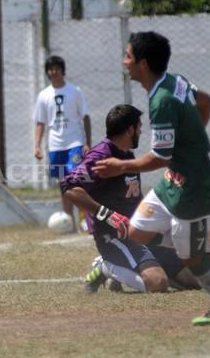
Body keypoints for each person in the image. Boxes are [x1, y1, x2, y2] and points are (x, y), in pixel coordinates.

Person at [94, 31, 210, 326]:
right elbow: (207, 102)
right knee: (135, 232)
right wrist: (192, 137)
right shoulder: (176, 81)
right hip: (174, 180)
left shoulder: (161, 100)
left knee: (192, 260)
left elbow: (159, 157)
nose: (124, 62)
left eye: (128, 56)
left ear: (143, 64)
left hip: (195, 187)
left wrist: (119, 167)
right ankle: (203, 243)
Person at [60, 104, 170, 294]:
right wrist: (107, 214)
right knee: (158, 283)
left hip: (137, 231)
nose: (141, 131)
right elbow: (69, 188)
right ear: (130, 130)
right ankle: (105, 267)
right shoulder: (101, 156)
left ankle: (123, 269)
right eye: (139, 127)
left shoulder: (127, 153)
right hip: (113, 236)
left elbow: (132, 195)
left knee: (190, 278)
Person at [34, 55, 91, 233]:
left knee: (77, 181)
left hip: (74, 142)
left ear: (62, 70)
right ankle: (69, 221)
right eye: (51, 69)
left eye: (57, 68)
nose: (54, 71)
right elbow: (40, 123)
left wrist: (87, 142)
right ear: (48, 72)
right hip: (56, 146)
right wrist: (37, 145)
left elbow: (85, 117)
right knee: (64, 184)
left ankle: (84, 219)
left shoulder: (75, 91)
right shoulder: (43, 95)